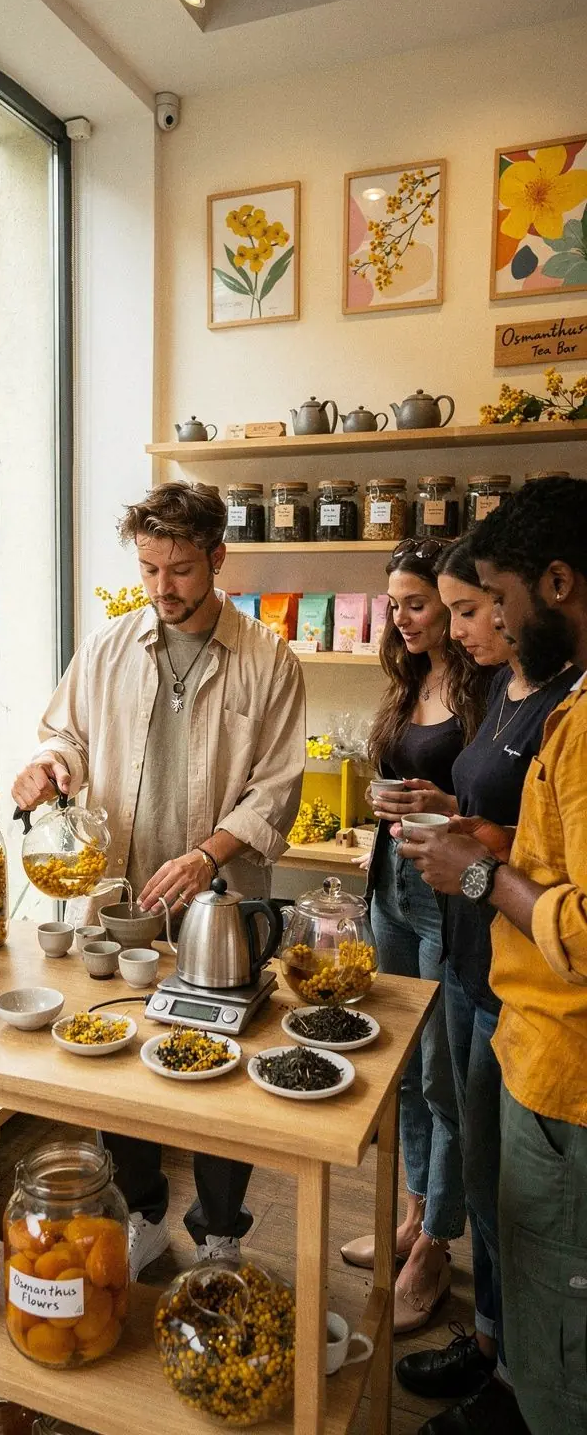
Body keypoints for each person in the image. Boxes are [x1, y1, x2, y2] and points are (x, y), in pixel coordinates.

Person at [12, 481, 306, 1278]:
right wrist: (47, 766)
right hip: (126, 893)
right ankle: (141, 1211)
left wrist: (207, 854)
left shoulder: (268, 659)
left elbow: (277, 789)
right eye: (148, 569)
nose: (162, 588)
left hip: (219, 897)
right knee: (121, 1047)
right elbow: (66, 734)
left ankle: (220, 1231)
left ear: (217, 558)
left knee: (222, 1063)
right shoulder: (109, 647)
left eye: (179, 570)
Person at [400, 476, 587, 1435]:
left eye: (499, 600)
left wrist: (477, 873)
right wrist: (491, 838)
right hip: (525, 1025)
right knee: (515, 1229)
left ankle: (527, 1399)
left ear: (558, 583)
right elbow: (558, 857)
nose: (498, 624)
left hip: (567, 1061)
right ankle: (503, 1372)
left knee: (558, 1299)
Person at [341, 538, 490, 1335]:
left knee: (441, 1077)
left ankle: (436, 1243)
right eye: (393, 603)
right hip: (391, 889)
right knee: (399, 1068)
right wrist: (381, 796)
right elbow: (399, 782)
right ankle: (411, 1215)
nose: (401, 618)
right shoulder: (407, 679)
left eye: (419, 603)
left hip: (445, 900)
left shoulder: (483, 686)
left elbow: (490, 811)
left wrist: (443, 802)